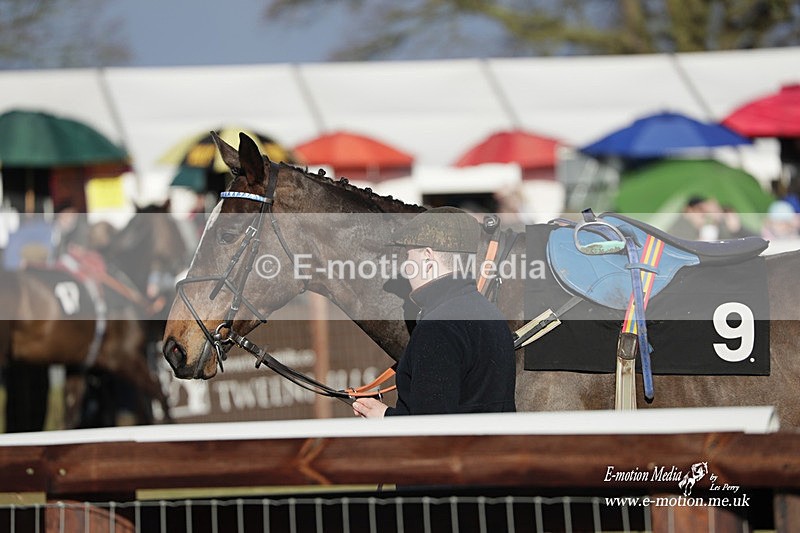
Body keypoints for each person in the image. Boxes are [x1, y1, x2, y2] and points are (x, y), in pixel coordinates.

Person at [352, 207, 517, 418]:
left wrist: (385, 417)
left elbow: (431, 429)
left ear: (428, 258)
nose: (406, 267)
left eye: (408, 256)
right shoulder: (491, 314)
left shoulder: (437, 327)